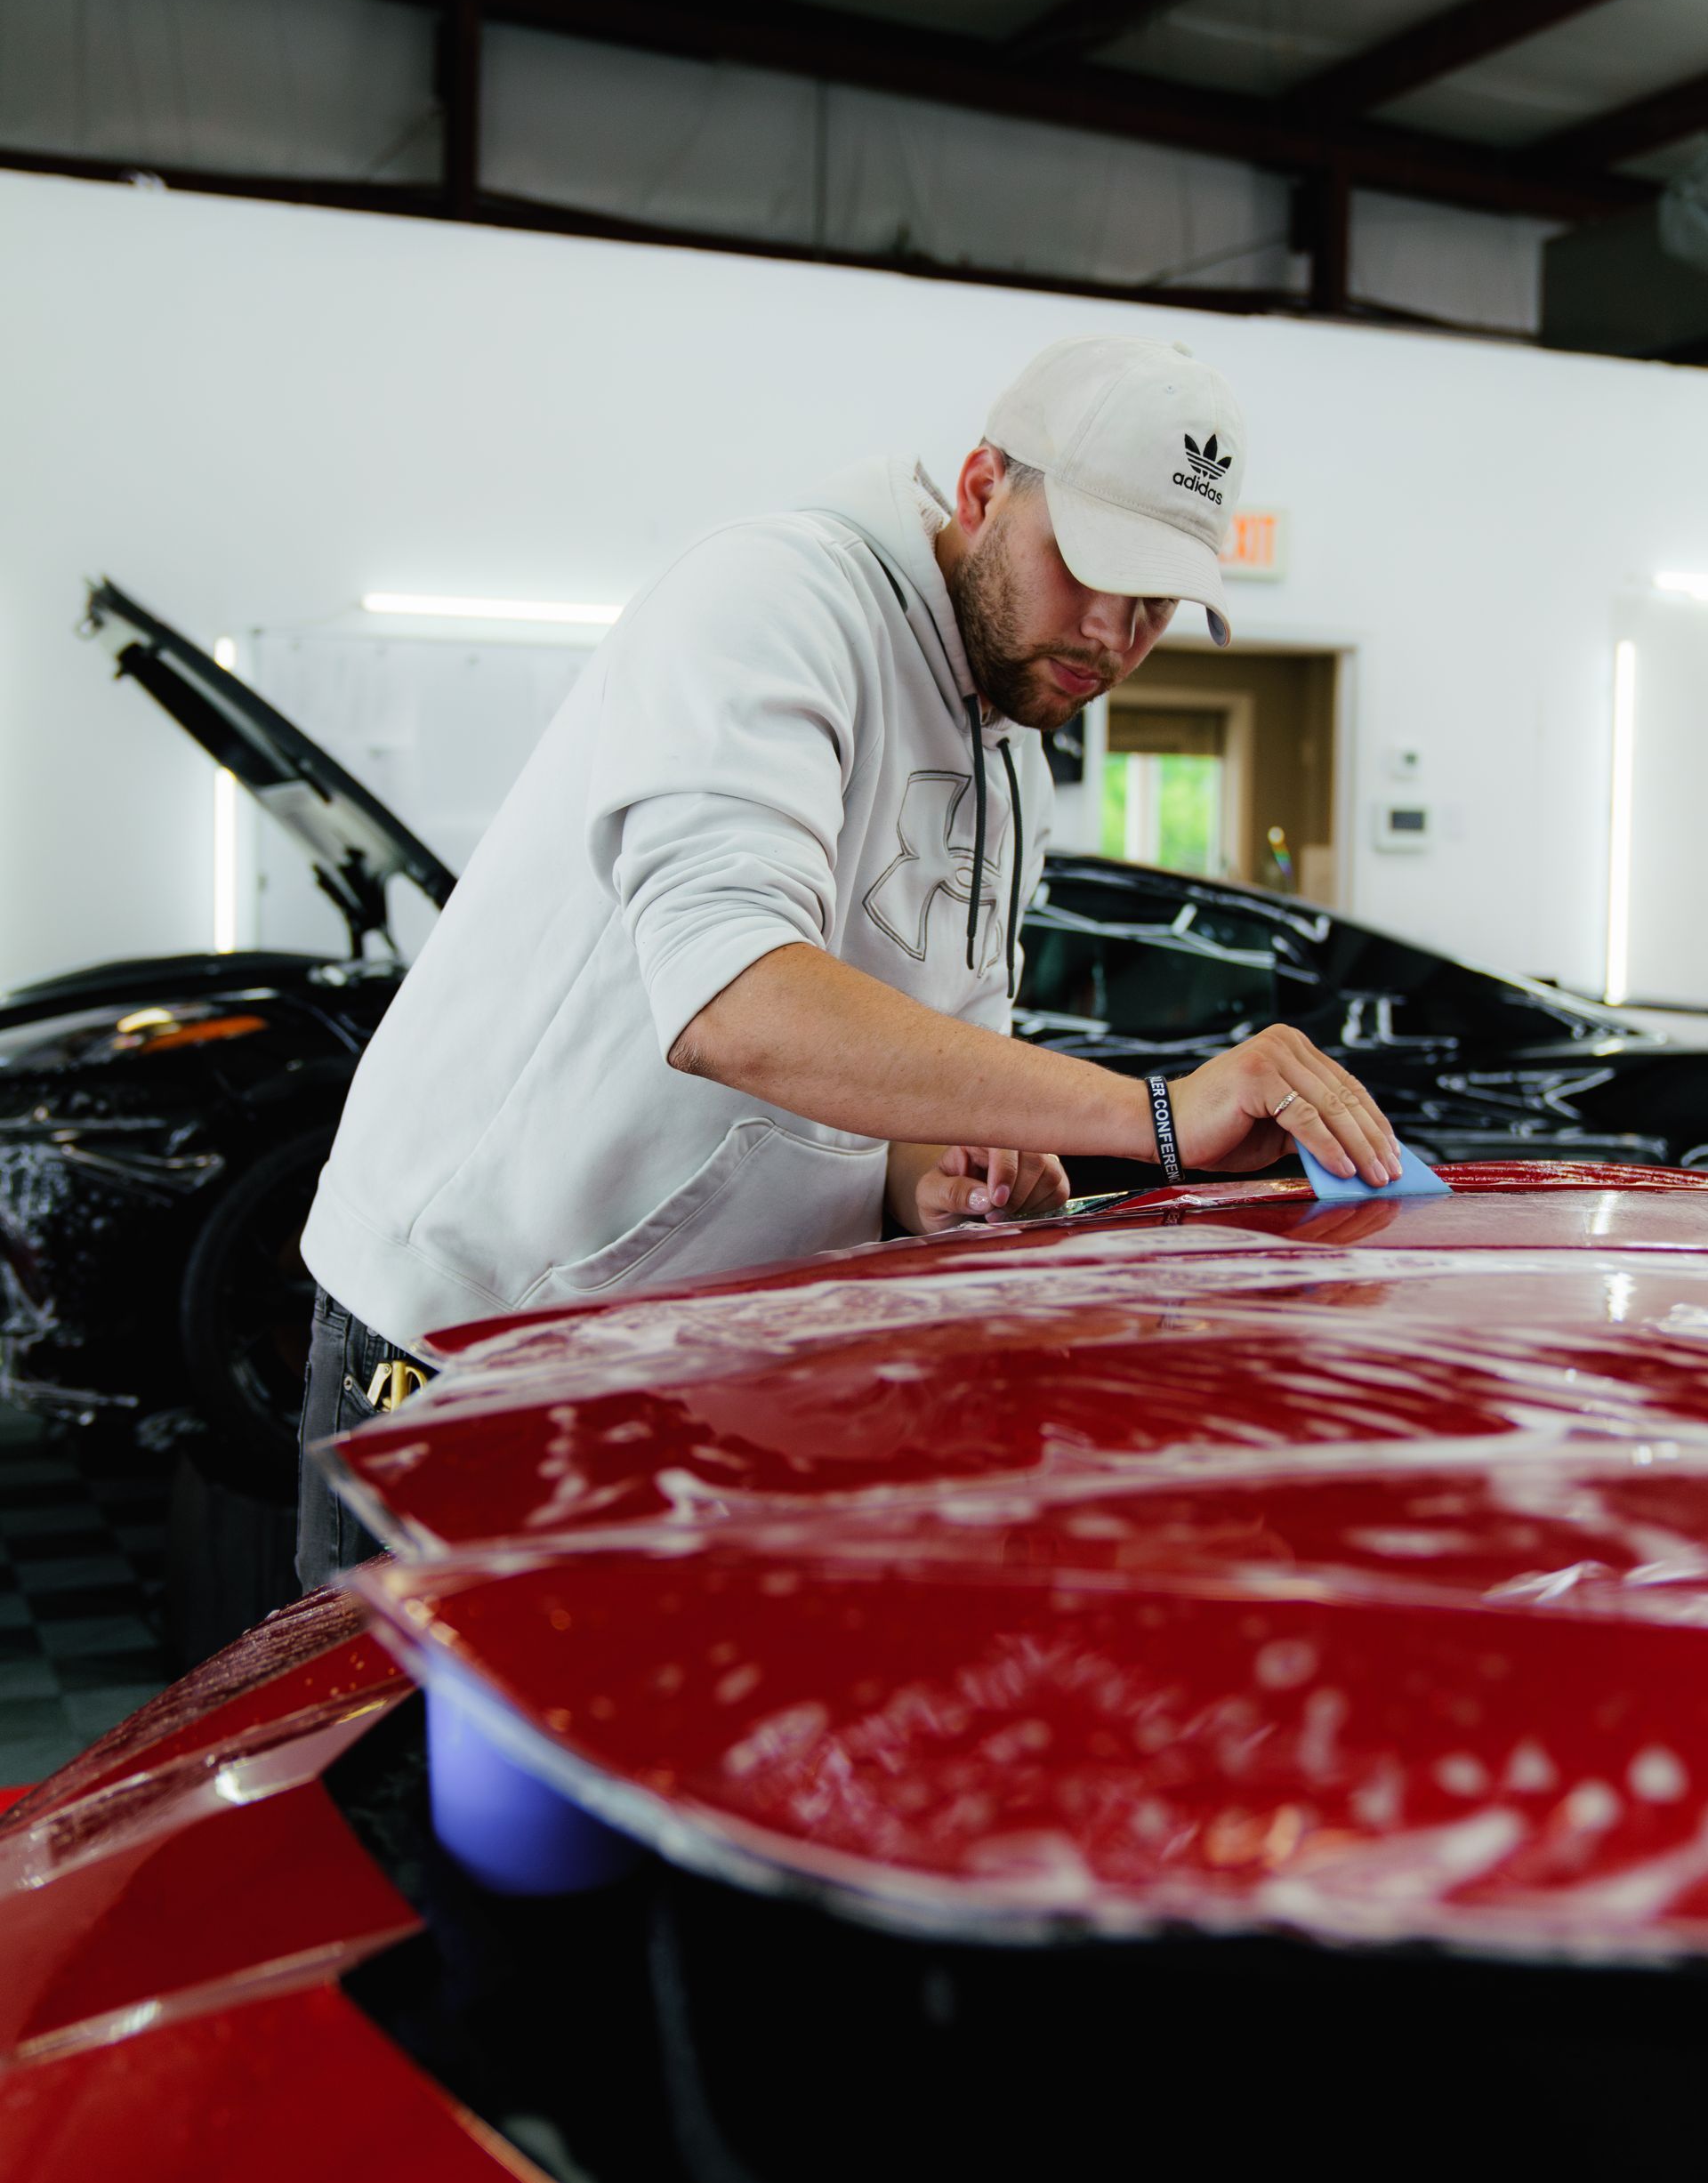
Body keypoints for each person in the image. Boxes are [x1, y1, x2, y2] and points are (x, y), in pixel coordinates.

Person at [295, 334, 1399, 1584]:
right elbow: (734, 1000)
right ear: (984, 488)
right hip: (477, 1342)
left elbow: (913, 1086)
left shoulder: (1017, 759)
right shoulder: (775, 599)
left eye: (1156, 602)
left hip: (715, 1367)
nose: (1111, 629)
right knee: (428, 1783)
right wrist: (1152, 1116)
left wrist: (940, 1172)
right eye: (1087, 566)